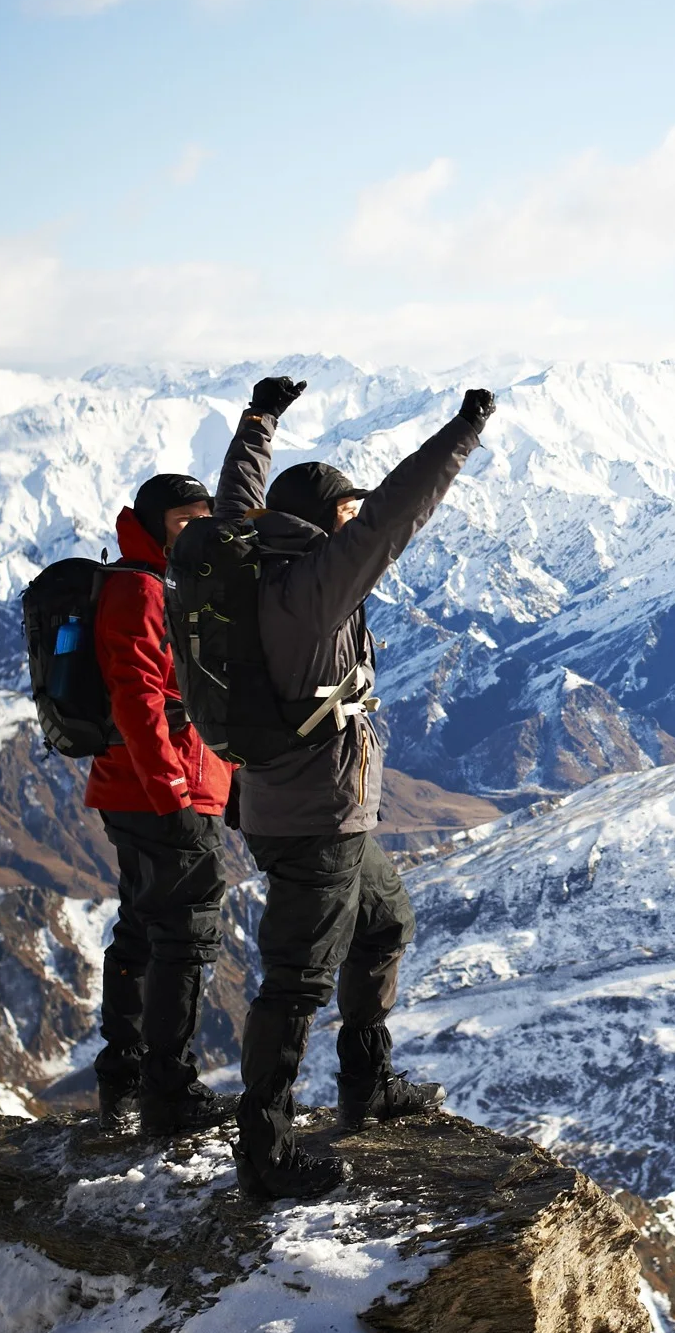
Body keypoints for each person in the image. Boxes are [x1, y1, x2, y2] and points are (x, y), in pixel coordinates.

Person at [215, 371, 495, 1199]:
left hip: (300, 806)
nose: (351, 525)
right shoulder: (314, 586)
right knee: (296, 981)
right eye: (342, 512)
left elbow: (237, 500)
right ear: (325, 520)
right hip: (315, 818)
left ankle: (367, 1087)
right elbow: (395, 513)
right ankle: (264, 1154)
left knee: (384, 922)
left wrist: (259, 421)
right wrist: (464, 431)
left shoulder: (247, 561)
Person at [86, 471, 232, 1139]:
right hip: (159, 790)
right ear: (153, 524)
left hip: (151, 785)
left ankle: (125, 1084)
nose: (194, 529)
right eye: (181, 521)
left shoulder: (169, 581)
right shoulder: (138, 588)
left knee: (146, 931)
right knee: (182, 934)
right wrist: (172, 790)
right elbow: (138, 697)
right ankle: (168, 1092)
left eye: (201, 519)